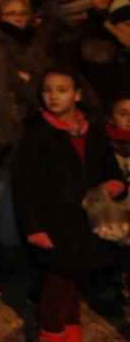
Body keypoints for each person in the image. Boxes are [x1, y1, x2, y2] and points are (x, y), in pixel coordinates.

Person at [11, 66, 125, 342]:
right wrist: (34, 228)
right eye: (47, 90)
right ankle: (51, 332)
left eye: (61, 90)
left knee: (76, 280)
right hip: (53, 223)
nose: (53, 96)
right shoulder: (37, 134)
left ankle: (71, 329)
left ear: (77, 95)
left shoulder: (92, 132)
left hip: (87, 223)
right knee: (57, 283)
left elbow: (113, 173)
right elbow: (24, 187)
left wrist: (111, 186)